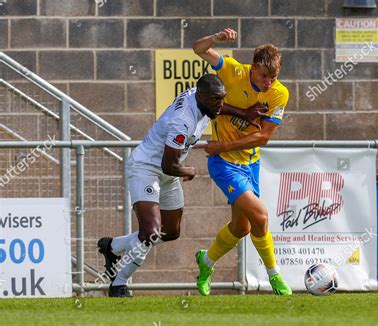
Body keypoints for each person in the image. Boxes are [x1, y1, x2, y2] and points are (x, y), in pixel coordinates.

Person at [97, 74, 267, 297]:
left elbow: (218, 107)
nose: (220, 104)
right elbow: (169, 165)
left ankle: (113, 247)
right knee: (150, 232)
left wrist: (244, 113)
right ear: (202, 96)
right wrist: (189, 170)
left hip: (167, 173)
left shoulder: (204, 102)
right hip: (147, 169)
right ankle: (119, 284)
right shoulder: (183, 121)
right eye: (216, 99)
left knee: (170, 232)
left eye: (222, 98)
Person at [192, 28, 292, 296]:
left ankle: (206, 261)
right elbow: (198, 48)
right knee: (260, 215)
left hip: (249, 162)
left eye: (273, 77)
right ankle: (275, 276)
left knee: (242, 227)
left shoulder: (279, 94)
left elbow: (263, 137)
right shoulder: (233, 71)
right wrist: (215, 39)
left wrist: (223, 144)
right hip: (223, 163)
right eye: (263, 76)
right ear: (253, 67)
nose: (268, 82)